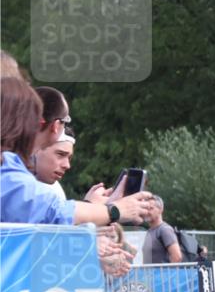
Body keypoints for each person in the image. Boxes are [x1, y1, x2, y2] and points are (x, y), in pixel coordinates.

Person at [1, 79, 152, 226]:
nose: (67, 165)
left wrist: (96, 208)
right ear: (56, 125)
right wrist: (115, 210)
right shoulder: (6, 166)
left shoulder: (11, 167)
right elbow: (51, 212)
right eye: (60, 154)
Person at [32, 126, 74, 202]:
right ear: (36, 148)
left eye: (69, 158)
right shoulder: (9, 181)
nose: (67, 165)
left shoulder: (55, 191)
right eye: (60, 154)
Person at [142, 195, 183, 263]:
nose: (147, 212)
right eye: (146, 208)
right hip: (149, 273)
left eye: (151, 208)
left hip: (161, 273)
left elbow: (177, 257)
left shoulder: (165, 230)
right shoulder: (150, 231)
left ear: (160, 210)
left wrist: (167, 273)